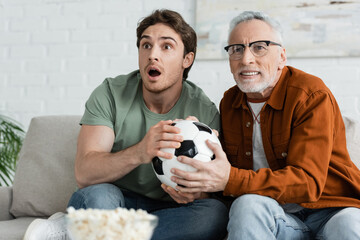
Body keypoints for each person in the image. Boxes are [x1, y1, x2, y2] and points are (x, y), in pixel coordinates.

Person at [23, 9, 228, 240]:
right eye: (146, 45)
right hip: (113, 201)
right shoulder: (110, 93)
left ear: (186, 59)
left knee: (215, 214)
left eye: (166, 46)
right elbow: (84, 173)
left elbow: (209, 190)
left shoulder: (203, 111)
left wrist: (194, 193)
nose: (152, 55)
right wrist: (142, 151)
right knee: (99, 196)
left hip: (169, 210)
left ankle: (94, 232)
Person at [169, 11, 360, 239]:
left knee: (348, 226)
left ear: (281, 56)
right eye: (237, 49)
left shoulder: (311, 95)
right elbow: (230, 181)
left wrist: (230, 179)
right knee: (247, 205)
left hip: (331, 210)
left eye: (259, 47)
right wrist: (200, 189)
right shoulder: (230, 102)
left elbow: (307, 183)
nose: (246, 58)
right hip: (278, 216)